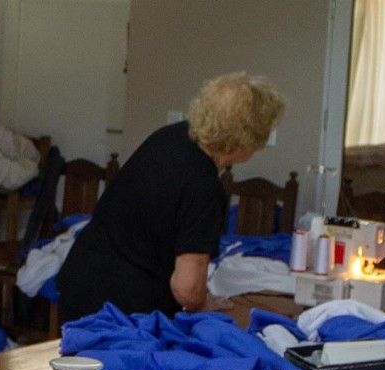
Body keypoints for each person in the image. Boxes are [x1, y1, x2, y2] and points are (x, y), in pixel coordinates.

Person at [57, 72, 285, 324]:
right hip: (122, 311)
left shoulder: (171, 136)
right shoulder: (204, 186)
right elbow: (187, 290)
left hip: (81, 279)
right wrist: (204, 302)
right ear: (245, 139)